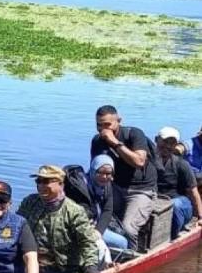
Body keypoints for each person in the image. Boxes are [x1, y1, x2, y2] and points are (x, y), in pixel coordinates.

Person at [17, 165, 101, 273]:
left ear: (61, 184)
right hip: (29, 261)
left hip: (59, 267)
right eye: (38, 181)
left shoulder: (74, 211)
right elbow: (17, 225)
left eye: (46, 182)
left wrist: (91, 266)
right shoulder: (30, 202)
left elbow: (87, 241)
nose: (41, 186)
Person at [91, 105, 158, 249]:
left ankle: (130, 257)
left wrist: (114, 143)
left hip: (140, 190)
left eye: (107, 124)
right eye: (99, 125)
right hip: (114, 187)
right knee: (96, 222)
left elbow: (139, 162)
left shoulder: (134, 134)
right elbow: (95, 170)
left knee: (128, 228)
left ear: (118, 120)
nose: (104, 129)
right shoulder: (97, 141)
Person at [64, 155, 129, 251]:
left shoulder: (107, 187)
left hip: (95, 226)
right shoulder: (79, 187)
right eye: (100, 172)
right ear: (93, 170)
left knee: (123, 242)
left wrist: (99, 231)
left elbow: (107, 210)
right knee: (120, 243)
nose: (104, 177)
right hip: (80, 228)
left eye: (108, 173)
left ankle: (113, 263)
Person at [155, 127, 202, 238]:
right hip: (157, 199)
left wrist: (200, 217)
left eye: (172, 143)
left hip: (180, 201)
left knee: (174, 205)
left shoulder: (181, 165)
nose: (167, 146)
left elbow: (193, 192)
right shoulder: (148, 161)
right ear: (156, 140)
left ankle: (172, 237)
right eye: (165, 142)